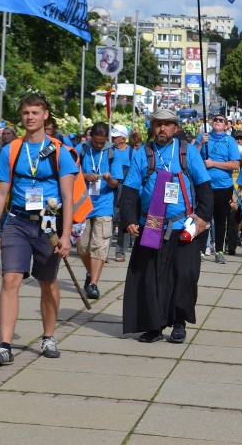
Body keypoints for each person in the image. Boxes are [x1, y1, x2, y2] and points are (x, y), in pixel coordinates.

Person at [0, 94, 78, 366]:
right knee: (10, 279)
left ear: (46, 115)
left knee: (47, 283)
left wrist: (66, 235)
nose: (30, 117)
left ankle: (48, 336)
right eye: (26, 112)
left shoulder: (60, 151)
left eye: (36, 112)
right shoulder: (11, 150)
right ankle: (4, 346)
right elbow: (0, 192)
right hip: (17, 221)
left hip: (50, 222)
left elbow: (68, 197)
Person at [121, 108, 213, 343]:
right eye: (158, 124)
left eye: (167, 124)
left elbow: (204, 187)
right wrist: (130, 220)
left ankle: (179, 323)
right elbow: (130, 189)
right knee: (152, 277)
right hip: (152, 222)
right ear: (152, 127)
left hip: (183, 224)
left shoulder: (187, 152)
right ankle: (154, 326)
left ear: (175, 128)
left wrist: (202, 217)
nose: (162, 129)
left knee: (183, 276)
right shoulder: (144, 153)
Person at [77, 122, 124, 299]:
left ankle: (93, 284)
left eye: (102, 142)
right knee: (82, 247)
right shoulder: (80, 149)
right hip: (82, 205)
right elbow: (69, 174)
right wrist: (84, 176)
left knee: (99, 245)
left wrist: (109, 179)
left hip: (104, 204)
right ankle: (90, 273)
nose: (98, 145)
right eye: (96, 142)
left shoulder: (113, 153)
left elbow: (115, 184)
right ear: (91, 137)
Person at [196, 114, 241, 264]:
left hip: (223, 186)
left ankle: (219, 251)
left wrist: (213, 163)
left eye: (221, 120)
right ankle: (201, 250)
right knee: (204, 218)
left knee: (221, 220)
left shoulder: (230, 141)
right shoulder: (203, 137)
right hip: (205, 184)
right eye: (215, 120)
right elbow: (192, 157)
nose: (218, 122)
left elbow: (235, 165)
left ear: (226, 124)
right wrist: (200, 144)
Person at [111, 124, 132, 263]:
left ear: (123, 138)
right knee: (109, 219)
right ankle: (102, 251)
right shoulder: (110, 151)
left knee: (124, 220)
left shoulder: (132, 152)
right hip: (111, 186)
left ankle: (120, 251)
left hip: (126, 188)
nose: (113, 138)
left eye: (116, 136)